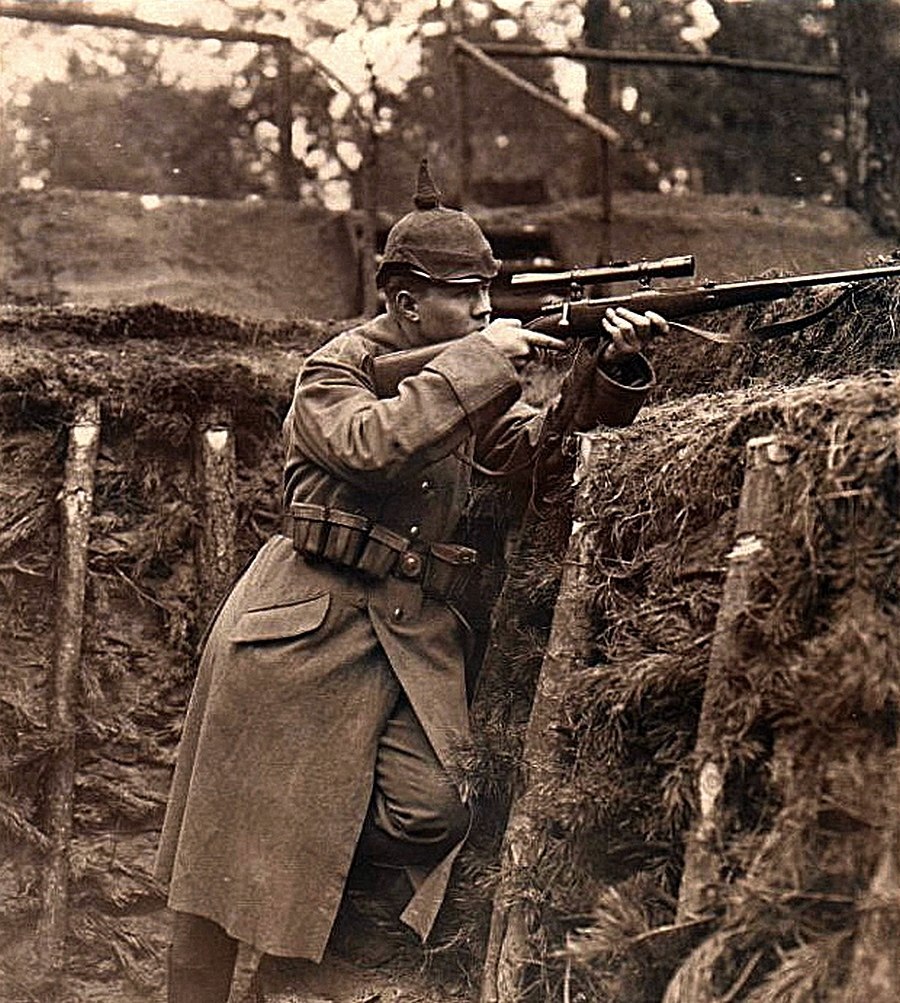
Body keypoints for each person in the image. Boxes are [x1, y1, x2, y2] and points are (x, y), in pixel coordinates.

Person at [155, 160, 667, 1002]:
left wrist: (603, 373)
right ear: (404, 302)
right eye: (466, 296)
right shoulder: (335, 368)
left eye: (486, 295)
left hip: (407, 631)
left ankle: (287, 972)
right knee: (224, 851)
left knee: (436, 807)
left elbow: (526, 458)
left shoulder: (462, 370)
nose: (484, 312)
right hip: (298, 625)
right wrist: (476, 363)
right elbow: (373, 443)